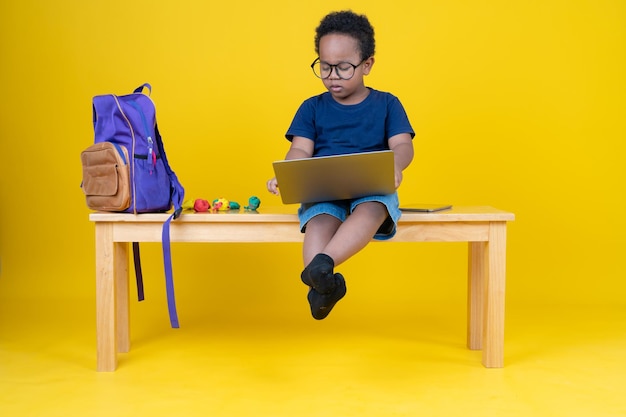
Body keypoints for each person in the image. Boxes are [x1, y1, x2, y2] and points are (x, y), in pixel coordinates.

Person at [266, 10, 415, 320]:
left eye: (344, 68)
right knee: (320, 218)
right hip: (324, 189)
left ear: (367, 64)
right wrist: (287, 173)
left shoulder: (387, 104)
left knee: (373, 207)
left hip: (372, 187)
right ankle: (323, 277)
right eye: (324, 66)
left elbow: (402, 144)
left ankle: (320, 275)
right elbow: (299, 149)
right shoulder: (312, 107)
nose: (332, 75)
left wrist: (396, 166)